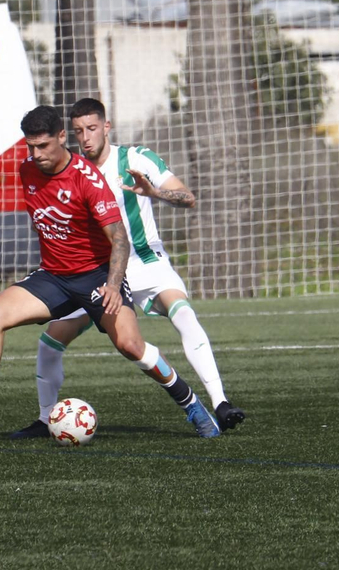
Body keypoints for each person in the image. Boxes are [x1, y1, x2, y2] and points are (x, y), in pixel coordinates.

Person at [0, 105, 222, 438]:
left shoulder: (88, 180)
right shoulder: (27, 169)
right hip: (54, 277)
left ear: (62, 137)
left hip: (97, 278)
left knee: (130, 345)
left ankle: (191, 403)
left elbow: (120, 239)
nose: (36, 154)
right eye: (30, 146)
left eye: (44, 146)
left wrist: (113, 285)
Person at [12, 98, 243, 439]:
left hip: (147, 262)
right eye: (78, 132)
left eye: (92, 128)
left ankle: (220, 403)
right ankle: (46, 418)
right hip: (100, 273)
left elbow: (188, 197)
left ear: (107, 127)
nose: (85, 137)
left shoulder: (135, 158)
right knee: (50, 342)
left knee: (183, 313)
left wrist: (155, 191)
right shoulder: (73, 170)